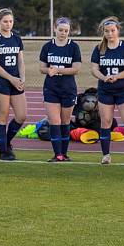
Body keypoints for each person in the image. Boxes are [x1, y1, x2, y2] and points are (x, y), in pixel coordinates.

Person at [90, 16, 124, 165]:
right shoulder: (99, 49)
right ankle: (106, 155)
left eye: (112, 30)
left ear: (118, 30)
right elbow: (94, 69)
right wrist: (104, 77)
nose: (110, 34)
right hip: (106, 90)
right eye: (107, 31)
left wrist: (117, 76)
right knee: (105, 121)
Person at [39, 17, 82, 162]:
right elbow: (42, 68)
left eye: (66, 31)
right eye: (61, 30)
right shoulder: (48, 46)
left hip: (68, 89)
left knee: (65, 122)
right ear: (54, 29)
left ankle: (64, 153)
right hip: (51, 88)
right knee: (54, 121)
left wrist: (58, 69)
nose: (63, 33)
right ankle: (57, 154)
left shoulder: (73, 47)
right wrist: (48, 70)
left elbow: (76, 69)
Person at [0, 8, 26, 161]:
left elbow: (20, 61)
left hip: (15, 81)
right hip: (1, 81)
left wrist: (22, 77)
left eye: (10, 21)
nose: (8, 24)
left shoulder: (16, 38)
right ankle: (3, 151)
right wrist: (11, 78)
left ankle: (7, 141)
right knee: (3, 115)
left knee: (22, 116)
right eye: (5, 21)